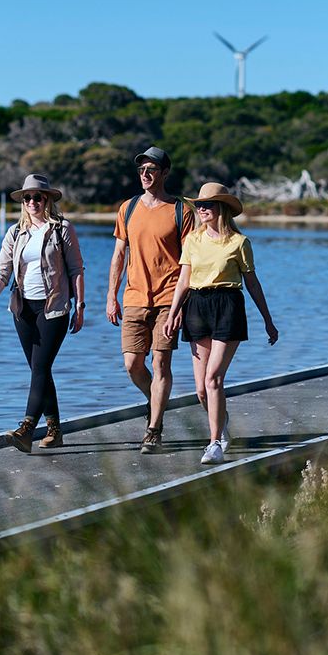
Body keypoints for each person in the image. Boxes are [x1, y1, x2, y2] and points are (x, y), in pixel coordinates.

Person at [163, 182, 278, 465]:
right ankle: (221, 420)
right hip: (197, 307)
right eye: (199, 205)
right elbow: (183, 280)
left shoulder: (239, 243)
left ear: (221, 209)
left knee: (214, 378)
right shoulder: (192, 240)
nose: (201, 209)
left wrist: (267, 320)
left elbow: (252, 282)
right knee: (202, 388)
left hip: (228, 305)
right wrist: (172, 312)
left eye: (207, 205)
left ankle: (214, 443)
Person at [0, 174, 86, 453]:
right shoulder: (16, 232)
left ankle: (27, 428)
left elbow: (77, 269)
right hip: (23, 307)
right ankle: (54, 429)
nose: (32, 202)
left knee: (40, 367)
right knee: (38, 369)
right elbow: (2, 266)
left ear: (48, 200)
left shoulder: (62, 229)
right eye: (27, 197)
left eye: (38, 197)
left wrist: (80, 306)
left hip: (53, 308)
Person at [106, 146, 195, 455]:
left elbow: (189, 260)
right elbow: (119, 254)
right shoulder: (128, 208)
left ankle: (153, 429)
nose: (145, 175)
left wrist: (180, 306)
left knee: (160, 363)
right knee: (132, 364)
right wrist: (111, 296)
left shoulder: (180, 210)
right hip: (134, 297)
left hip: (168, 298)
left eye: (151, 170)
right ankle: (155, 402)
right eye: (141, 170)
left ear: (164, 173)